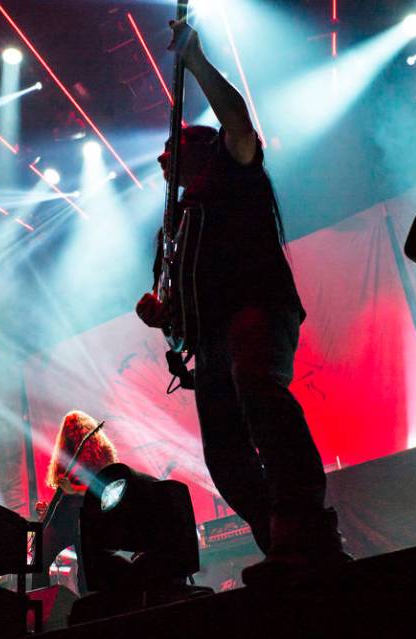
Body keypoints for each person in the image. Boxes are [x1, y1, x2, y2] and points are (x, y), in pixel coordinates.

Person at [136, 19, 349, 586]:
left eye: (171, 145)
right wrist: (165, 317)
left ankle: (300, 521)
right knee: (224, 454)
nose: (162, 159)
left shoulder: (235, 169)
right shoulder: (175, 224)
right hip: (208, 339)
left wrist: (199, 62)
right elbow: (179, 309)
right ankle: (287, 537)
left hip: (257, 307)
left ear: (202, 147)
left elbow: (237, 121)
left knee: (260, 393)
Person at [32, 410, 118, 594]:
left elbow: (105, 490)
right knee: (40, 556)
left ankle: (89, 606)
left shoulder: (100, 455)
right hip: (62, 518)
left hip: (85, 518)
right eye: (68, 431)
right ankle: (40, 602)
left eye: (74, 430)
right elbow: (64, 495)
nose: (71, 435)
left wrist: (75, 491)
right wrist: (48, 510)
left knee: (85, 569)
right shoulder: (68, 457)